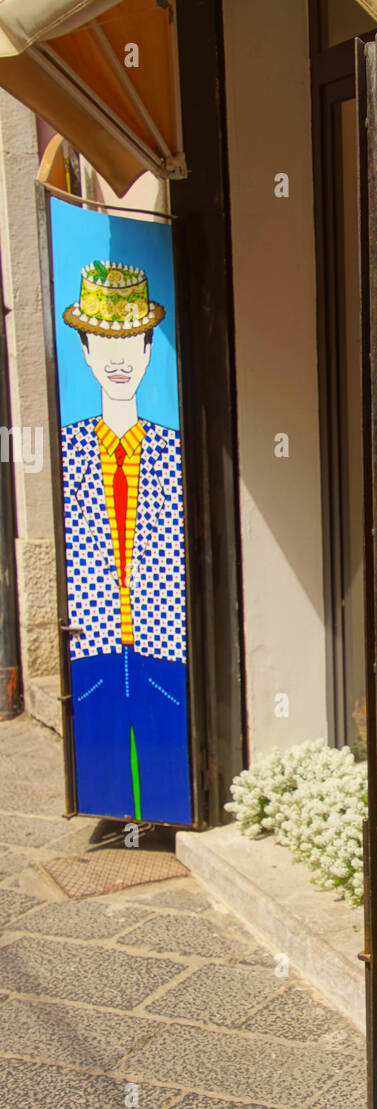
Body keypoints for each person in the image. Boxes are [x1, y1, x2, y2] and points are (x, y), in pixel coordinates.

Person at [60, 260, 191, 825]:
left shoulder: (174, 450)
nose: (117, 359)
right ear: (85, 350)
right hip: (94, 641)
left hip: (166, 639)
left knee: (167, 765)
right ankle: (119, 817)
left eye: (131, 341)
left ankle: (161, 817)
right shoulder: (68, 452)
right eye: (103, 342)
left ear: (147, 348)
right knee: (104, 760)